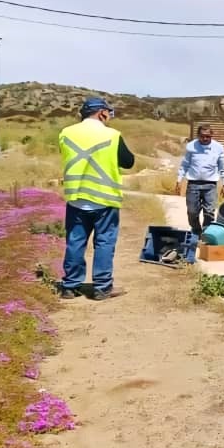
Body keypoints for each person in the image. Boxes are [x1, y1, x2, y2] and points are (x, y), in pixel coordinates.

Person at [57, 97, 135, 301]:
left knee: (75, 242)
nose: (109, 117)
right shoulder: (112, 135)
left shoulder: (66, 133)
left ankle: (69, 286)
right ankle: (102, 287)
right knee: (104, 243)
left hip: (76, 197)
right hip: (104, 199)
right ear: (101, 113)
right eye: (108, 113)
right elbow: (128, 162)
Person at [174, 124, 224, 236]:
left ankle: (206, 234)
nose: (205, 139)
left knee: (209, 212)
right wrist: (179, 180)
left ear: (212, 135)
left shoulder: (218, 148)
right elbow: (185, 165)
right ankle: (196, 230)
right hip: (193, 184)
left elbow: (222, 166)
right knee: (192, 212)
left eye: (208, 136)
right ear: (198, 135)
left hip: (210, 185)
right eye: (202, 136)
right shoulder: (191, 146)